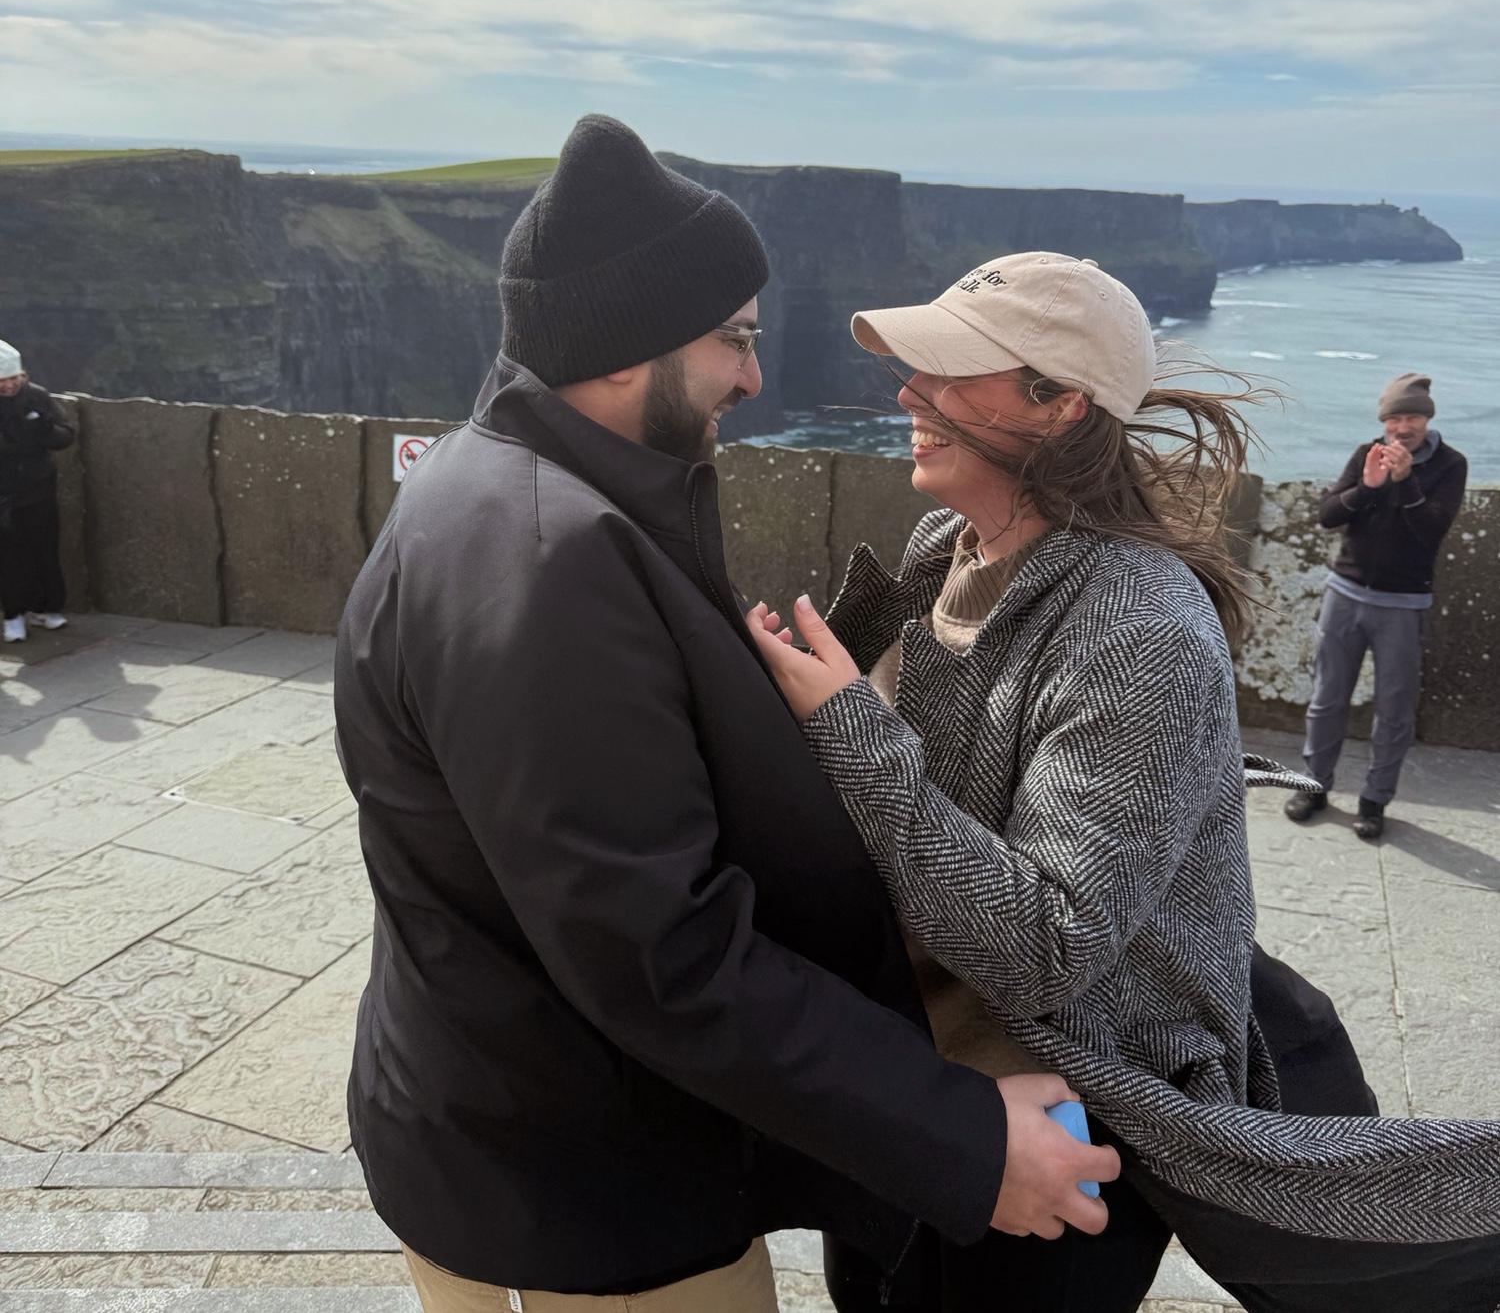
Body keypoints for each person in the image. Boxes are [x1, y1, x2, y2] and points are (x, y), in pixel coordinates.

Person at [334, 120, 1117, 1313]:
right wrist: (960, 1134)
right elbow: (660, 951)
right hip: (585, 1186)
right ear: (620, 348)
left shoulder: (484, 485)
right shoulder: (560, 565)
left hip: (483, 1117)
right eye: (733, 342)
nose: (755, 378)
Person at [747, 253, 1500, 1313]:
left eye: (954, 370)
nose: (909, 391)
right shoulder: (946, 547)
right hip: (925, 1075)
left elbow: (1048, 948)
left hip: (1064, 1112)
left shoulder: (1136, 631)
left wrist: (847, 726)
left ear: (1059, 406)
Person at [1283, 374, 1468, 841]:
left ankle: (1375, 799)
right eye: (1395, 419)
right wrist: (1368, 486)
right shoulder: (1367, 453)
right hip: (1345, 594)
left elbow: (1430, 530)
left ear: (1428, 418)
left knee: (1396, 709)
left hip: (1403, 605)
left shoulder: (1450, 464)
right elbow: (1328, 516)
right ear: (1383, 422)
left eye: (1412, 417)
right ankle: (1314, 785)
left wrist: (1404, 482)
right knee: (1326, 700)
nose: (1403, 428)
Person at [0, 340, 74, 645]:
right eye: (1, 381)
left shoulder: (38, 397)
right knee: (9, 555)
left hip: (39, 488)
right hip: (4, 493)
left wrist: (46, 429)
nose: (8, 386)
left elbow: (65, 437)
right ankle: (14, 614)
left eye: (13, 379)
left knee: (44, 549)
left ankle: (48, 607)